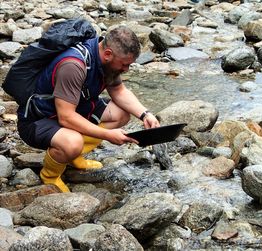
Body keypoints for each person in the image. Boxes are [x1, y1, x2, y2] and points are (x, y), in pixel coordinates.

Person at [17, 26, 160, 192]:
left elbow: (119, 91)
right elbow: (66, 117)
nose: (126, 69)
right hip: (39, 119)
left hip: (76, 106)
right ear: (108, 54)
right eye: (124, 64)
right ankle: (50, 175)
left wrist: (145, 114)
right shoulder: (73, 65)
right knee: (72, 142)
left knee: (121, 114)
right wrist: (108, 135)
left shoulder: (107, 61)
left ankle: (73, 156)